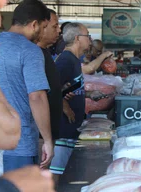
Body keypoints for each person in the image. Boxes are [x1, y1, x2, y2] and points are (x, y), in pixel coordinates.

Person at [0, 2, 55, 192]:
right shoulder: (30, 51)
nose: (43, 33)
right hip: (19, 145)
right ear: (34, 24)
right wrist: (47, 140)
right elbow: (36, 96)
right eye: (44, 27)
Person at [51, 23, 109, 179]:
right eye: (87, 35)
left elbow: (70, 87)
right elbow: (51, 89)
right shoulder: (65, 60)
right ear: (77, 38)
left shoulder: (75, 60)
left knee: (67, 172)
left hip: (73, 126)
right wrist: (65, 107)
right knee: (57, 174)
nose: (90, 39)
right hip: (63, 128)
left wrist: (89, 94)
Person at [37, 9, 62, 142]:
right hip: (39, 136)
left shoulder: (45, 53)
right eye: (55, 26)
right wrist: (45, 139)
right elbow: (36, 96)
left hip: (48, 133)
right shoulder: (34, 55)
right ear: (41, 26)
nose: (59, 30)